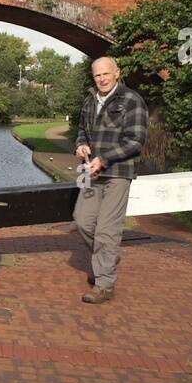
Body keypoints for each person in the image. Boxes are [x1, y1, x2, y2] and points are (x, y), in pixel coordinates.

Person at [73, 57, 148, 304]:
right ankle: (107, 257)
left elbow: (135, 141)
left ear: (117, 73)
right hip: (88, 171)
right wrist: (81, 145)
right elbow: (82, 130)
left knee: (107, 230)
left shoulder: (132, 100)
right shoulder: (89, 100)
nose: (102, 79)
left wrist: (104, 159)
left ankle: (104, 284)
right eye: (97, 75)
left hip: (117, 172)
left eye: (106, 74)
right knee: (81, 221)